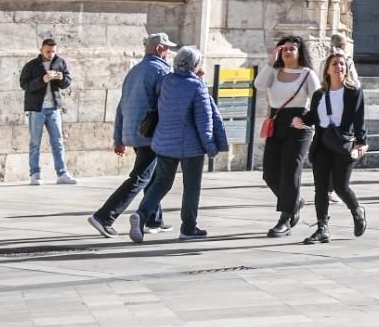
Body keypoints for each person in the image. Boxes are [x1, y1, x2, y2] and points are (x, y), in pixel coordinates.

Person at [130, 47, 229, 242]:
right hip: (190, 146)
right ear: (195, 65)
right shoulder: (197, 86)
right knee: (191, 186)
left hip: (165, 142)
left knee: (161, 182)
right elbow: (204, 119)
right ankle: (188, 228)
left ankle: (141, 214)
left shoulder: (167, 81)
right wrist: (210, 146)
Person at [88, 33, 171, 235]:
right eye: (167, 48)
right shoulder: (161, 70)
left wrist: (118, 138)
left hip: (133, 132)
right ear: (159, 49)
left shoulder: (134, 71)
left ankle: (154, 219)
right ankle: (104, 216)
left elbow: (121, 106)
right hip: (151, 133)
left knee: (151, 175)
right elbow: (168, 101)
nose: (169, 52)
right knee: (141, 177)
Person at [307, 52, 367, 242]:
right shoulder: (319, 95)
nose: (338, 67)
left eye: (342, 64)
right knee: (321, 188)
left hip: (343, 144)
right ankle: (322, 227)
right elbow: (314, 116)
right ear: (327, 69)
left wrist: (361, 142)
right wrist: (300, 119)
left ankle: (357, 212)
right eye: (334, 63)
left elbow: (359, 119)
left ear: (346, 68)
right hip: (322, 144)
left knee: (341, 187)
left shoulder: (353, 92)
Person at [260, 34, 316, 236]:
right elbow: (258, 84)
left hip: (299, 124)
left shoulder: (307, 74)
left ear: (300, 52)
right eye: (284, 48)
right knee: (269, 173)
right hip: (276, 122)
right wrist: (269, 62)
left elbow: (318, 100)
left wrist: (307, 120)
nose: (287, 52)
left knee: (290, 171)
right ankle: (295, 202)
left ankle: (285, 218)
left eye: (292, 48)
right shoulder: (273, 73)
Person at [20, 36, 75, 185]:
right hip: (37, 109)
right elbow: (24, 85)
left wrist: (61, 77)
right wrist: (42, 80)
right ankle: (35, 174)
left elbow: (67, 82)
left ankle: (62, 173)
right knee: (35, 143)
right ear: (41, 49)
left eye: (53, 51)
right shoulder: (32, 65)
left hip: (54, 109)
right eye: (48, 51)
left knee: (58, 142)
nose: (50, 54)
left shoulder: (60, 62)